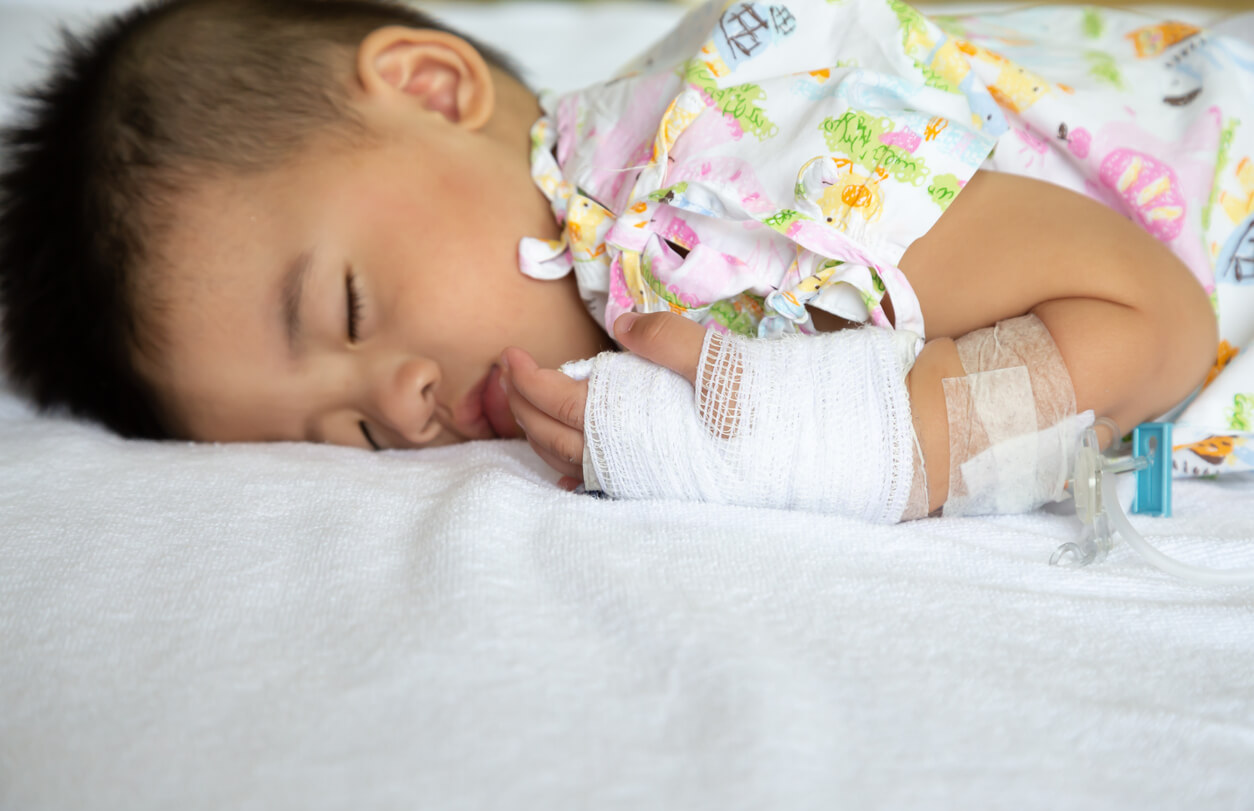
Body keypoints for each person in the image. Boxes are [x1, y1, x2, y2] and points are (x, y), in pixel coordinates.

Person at [0, 0, 1246, 522]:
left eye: (348, 304)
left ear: (431, 89)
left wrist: (848, 441)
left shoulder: (707, 172)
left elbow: (1155, 324)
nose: (395, 401)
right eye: (339, 436)